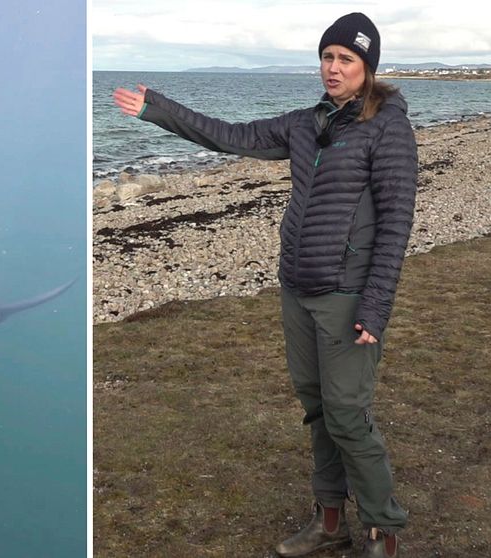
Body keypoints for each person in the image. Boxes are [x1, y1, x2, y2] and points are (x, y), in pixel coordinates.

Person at [113, 12, 416, 558]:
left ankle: (382, 533)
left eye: (346, 59)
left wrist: (376, 305)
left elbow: (396, 220)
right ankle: (330, 522)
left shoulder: (387, 126)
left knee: (348, 415)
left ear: (367, 68)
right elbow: (234, 136)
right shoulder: (307, 123)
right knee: (319, 410)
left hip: (348, 295)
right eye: (327, 56)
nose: (333, 68)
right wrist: (158, 109)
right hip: (298, 291)